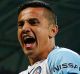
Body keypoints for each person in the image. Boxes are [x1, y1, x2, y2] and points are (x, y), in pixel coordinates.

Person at [17, 0, 80, 74]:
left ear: (52, 31)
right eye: (21, 25)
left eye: (33, 22)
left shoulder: (62, 56)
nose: (24, 28)